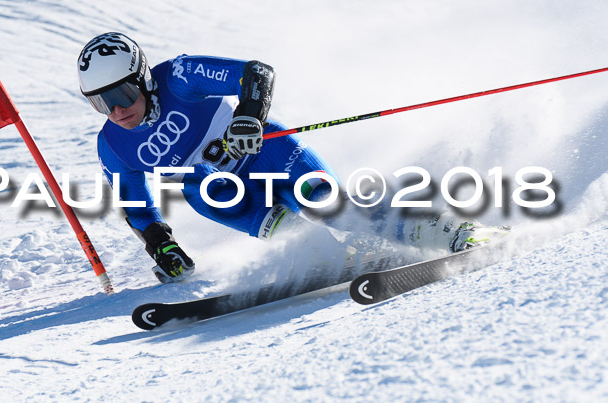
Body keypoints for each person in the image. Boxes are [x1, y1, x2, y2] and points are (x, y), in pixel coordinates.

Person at [77, 32, 506, 284]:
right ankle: (309, 248)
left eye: (121, 93)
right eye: (101, 102)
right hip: (222, 193)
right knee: (198, 183)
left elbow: (255, 73)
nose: (116, 109)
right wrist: (161, 244)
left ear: (144, 78)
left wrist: (248, 116)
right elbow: (135, 201)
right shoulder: (113, 144)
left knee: (329, 203)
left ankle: (454, 231)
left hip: (267, 152)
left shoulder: (182, 76)